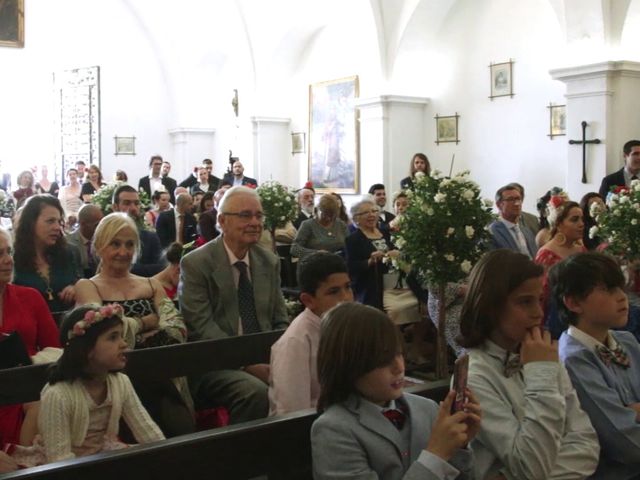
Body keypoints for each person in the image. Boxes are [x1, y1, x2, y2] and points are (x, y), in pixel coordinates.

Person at [457, 249, 599, 480]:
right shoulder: (476, 375)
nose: (538, 313)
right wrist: (541, 375)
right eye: (525, 302)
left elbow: (587, 445)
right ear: (490, 306)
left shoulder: (541, 355)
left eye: (540, 300)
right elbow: (530, 466)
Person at [311, 302, 481, 480]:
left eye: (399, 353)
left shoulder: (427, 409)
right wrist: (436, 455)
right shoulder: (334, 430)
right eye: (382, 360)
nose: (399, 367)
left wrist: (459, 446)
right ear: (350, 365)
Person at [74, 212, 194, 436]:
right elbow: (101, 336)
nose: (123, 252)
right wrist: (145, 323)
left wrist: (129, 332)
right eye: (115, 244)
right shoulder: (87, 286)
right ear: (100, 246)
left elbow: (177, 329)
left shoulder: (150, 284)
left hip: (159, 374)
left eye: (130, 244)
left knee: (180, 425)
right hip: (111, 383)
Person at [180, 186, 289, 424]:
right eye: (245, 215)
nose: (254, 222)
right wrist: (247, 364)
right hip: (215, 363)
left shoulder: (267, 261)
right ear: (222, 220)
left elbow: (280, 320)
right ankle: (240, 458)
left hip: (265, 356)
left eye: (259, 216)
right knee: (255, 392)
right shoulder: (196, 264)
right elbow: (201, 327)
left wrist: (281, 359)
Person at [9, 304, 165, 465]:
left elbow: (147, 431)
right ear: (86, 349)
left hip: (100, 453)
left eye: (122, 336)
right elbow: (59, 459)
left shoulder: (121, 382)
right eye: (113, 337)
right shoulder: (59, 394)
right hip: (61, 464)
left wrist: (167, 457)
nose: (124, 344)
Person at [551, 252, 640, 479]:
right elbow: (626, 443)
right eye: (609, 290)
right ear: (573, 302)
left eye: (621, 288)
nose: (622, 297)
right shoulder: (573, 359)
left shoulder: (627, 341)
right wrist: (631, 412)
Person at [269, 252, 353, 416]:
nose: (346, 297)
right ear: (308, 300)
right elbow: (292, 412)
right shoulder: (296, 342)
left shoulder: (351, 325)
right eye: (334, 291)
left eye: (348, 287)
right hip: (312, 427)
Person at [0, 228, 60, 448]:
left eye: (9, 252)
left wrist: (30, 365)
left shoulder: (30, 297)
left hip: (33, 388)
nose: (8, 260)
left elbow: (55, 348)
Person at [13, 195, 78, 315]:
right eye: (50, 221)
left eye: (59, 221)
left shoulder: (66, 253)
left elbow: (78, 280)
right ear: (31, 222)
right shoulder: (12, 259)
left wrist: (76, 288)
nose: (57, 227)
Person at [535, 199, 586, 337]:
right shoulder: (546, 254)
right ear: (559, 223)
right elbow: (541, 295)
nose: (581, 224)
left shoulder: (581, 249)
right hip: (557, 320)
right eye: (574, 220)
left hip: (582, 314)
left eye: (582, 219)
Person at [346, 197, 398, 310]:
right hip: (369, 287)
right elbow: (350, 267)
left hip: (392, 283)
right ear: (356, 218)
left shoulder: (385, 233)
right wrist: (369, 261)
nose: (372, 215)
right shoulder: (353, 239)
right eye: (366, 212)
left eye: (374, 211)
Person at [111, 184, 164, 277]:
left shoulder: (150, 238)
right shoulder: (107, 237)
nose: (133, 208)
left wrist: (126, 267)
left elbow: (160, 268)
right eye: (127, 203)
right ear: (115, 207)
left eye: (136, 203)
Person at [291, 194, 348, 271]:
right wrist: (316, 253)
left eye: (332, 215)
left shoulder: (341, 225)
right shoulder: (308, 225)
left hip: (336, 268)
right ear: (317, 210)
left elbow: (349, 245)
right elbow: (294, 249)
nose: (328, 219)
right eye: (325, 214)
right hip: (312, 268)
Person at [488, 184, 538, 258]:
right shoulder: (492, 232)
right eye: (511, 200)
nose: (517, 203)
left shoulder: (527, 231)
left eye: (518, 199)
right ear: (499, 205)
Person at [66, 204, 103, 279]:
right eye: (97, 225)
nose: (101, 228)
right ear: (83, 224)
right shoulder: (68, 243)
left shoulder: (104, 240)